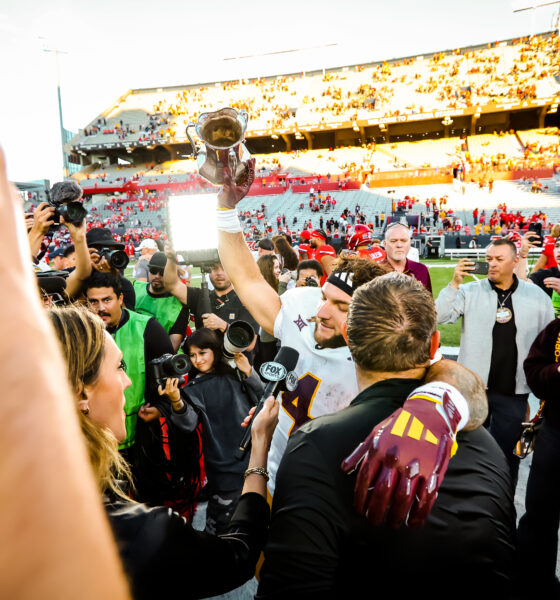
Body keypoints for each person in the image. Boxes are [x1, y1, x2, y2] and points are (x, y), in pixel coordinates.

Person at [257, 274, 515, 598]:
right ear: (435, 344)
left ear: (348, 337)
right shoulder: (486, 444)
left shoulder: (314, 448)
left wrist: (257, 459)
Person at [48, 305, 278, 600]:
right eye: (119, 367)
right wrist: (259, 449)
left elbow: (260, 396)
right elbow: (239, 556)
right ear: (81, 391)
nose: (129, 382)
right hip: (227, 472)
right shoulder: (142, 531)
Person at [0, 146, 130, 598]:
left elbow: (79, 277)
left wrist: (75, 234)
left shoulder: (52, 290)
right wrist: (33, 229)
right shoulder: (15, 303)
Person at [436, 238, 554, 487]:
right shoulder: (470, 290)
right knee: (464, 454)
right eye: (488, 258)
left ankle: (502, 509)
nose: (492, 264)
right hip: (473, 391)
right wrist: (455, 283)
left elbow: (549, 343)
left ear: (515, 261)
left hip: (514, 393)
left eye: (499, 259)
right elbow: (440, 316)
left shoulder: (537, 296)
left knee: (505, 460)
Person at [183, 327, 265, 534]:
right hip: (221, 467)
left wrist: (248, 371)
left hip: (251, 457)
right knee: (220, 525)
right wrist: (176, 401)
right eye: (192, 355)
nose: (197, 360)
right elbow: (188, 423)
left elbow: (263, 401)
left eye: (202, 353)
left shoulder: (236, 375)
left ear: (215, 351)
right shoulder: (191, 389)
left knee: (250, 519)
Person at [518, 317, 560, 594]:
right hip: (556, 431)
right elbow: (534, 371)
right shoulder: (556, 331)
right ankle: (534, 582)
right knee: (540, 513)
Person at [133, 251, 189, 350]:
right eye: (153, 270)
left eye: (162, 272)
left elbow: (171, 348)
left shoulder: (179, 304)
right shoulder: (135, 288)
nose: (157, 276)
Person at [86, 227, 136, 309]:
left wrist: (112, 280)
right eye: (99, 250)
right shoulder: (76, 277)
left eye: (110, 251)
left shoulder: (123, 283)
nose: (105, 256)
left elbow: (127, 317)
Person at [382, 222, 432, 292]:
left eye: (403, 241)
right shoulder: (373, 272)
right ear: (385, 244)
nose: (399, 245)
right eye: (393, 241)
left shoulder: (421, 270)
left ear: (410, 242)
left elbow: (429, 302)